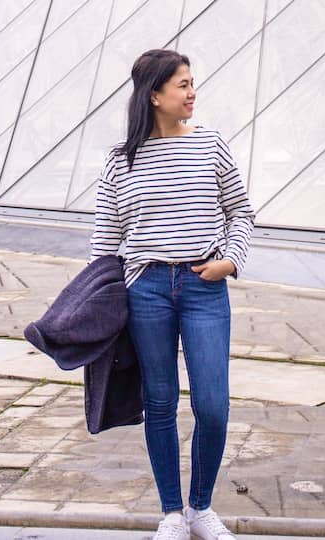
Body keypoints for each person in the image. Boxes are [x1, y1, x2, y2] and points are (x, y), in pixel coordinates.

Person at [90, 48, 255, 540]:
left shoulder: (211, 145)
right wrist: (97, 305)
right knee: (159, 401)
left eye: (191, 82)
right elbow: (103, 241)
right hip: (148, 289)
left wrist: (231, 260)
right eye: (182, 84)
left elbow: (241, 212)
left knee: (212, 405)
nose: (192, 92)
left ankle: (201, 507)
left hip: (205, 286)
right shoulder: (121, 161)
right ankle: (172, 513)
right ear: (154, 95)